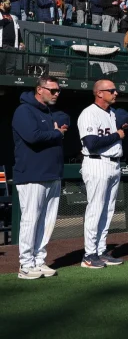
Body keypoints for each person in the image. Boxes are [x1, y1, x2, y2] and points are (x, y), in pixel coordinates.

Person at [12, 76, 66, 280]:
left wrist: (55, 131)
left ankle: (39, 259)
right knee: (31, 220)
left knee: (47, 221)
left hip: (52, 173)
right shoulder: (24, 110)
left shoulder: (50, 111)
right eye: (52, 90)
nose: (56, 94)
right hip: (31, 174)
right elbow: (32, 136)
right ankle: (25, 264)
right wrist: (56, 133)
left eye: (58, 90)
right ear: (39, 89)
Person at [77, 80, 126, 269]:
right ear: (99, 93)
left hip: (113, 163)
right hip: (97, 162)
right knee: (95, 209)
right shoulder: (89, 113)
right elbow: (91, 143)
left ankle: (100, 250)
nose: (116, 93)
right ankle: (89, 254)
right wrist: (117, 135)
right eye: (112, 90)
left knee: (108, 210)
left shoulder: (112, 114)